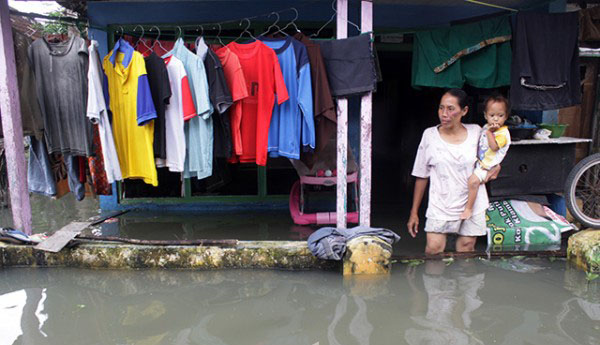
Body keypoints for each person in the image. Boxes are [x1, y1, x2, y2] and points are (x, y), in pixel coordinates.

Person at [407, 89, 499, 255]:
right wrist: (414, 213)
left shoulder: (476, 132)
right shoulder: (429, 136)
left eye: (450, 109)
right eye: (441, 108)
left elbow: (493, 157)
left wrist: (494, 169)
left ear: (464, 111)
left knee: (466, 248)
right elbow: (421, 175)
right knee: (434, 249)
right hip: (441, 202)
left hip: (472, 202)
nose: (444, 114)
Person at [461, 94, 511, 220]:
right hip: (480, 162)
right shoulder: (485, 127)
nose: (496, 119)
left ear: (506, 117)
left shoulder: (502, 133)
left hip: (487, 166)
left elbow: (494, 147)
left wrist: (489, 133)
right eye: (492, 115)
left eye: (500, 116)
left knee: (473, 182)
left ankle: (468, 209)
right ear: (485, 115)